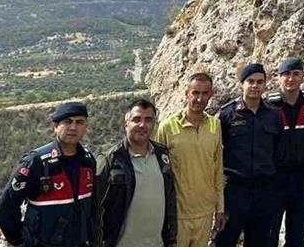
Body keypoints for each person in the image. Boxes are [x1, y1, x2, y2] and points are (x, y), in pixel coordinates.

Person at [0, 100, 101, 247]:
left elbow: (93, 206)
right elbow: (6, 206)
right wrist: (20, 241)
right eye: (67, 121)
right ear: (56, 126)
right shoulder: (37, 162)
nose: (73, 127)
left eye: (79, 122)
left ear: (86, 127)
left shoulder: (88, 161)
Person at [96, 98, 177, 247]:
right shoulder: (110, 160)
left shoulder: (162, 156)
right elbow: (94, 208)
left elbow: (170, 198)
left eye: (148, 120)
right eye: (136, 119)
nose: (142, 125)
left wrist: (171, 239)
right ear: (126, 123)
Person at [216, 63, 281, 247]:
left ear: (265, 85)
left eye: (260, 82)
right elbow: (215, 150)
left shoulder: (274, 115)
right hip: (235, 191)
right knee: (225, 240)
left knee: (259, 241)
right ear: (242, 83)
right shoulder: (227, 114)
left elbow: (277, 150)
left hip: (264, 191)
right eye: (250, 81)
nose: (255, 85)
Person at [157, 73, 224, 247]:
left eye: (204, 93)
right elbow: (159, 174)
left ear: (211, 95)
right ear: (187, 93)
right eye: (195, 93)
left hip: (205, 213)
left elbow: (218, 170)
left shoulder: (214, 126)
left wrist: (220, 209)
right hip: (178, 214)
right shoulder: (167, 127)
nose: (199, 99)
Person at [265, 57, 304, 247]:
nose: (291, 78)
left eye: (296, 74)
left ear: (302, 76)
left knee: (298, 235)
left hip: (302, 180)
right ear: (279, 78)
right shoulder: (269, 106)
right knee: (269, 234)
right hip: (274, 180)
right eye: (286, 74)